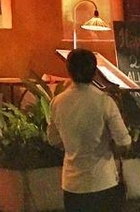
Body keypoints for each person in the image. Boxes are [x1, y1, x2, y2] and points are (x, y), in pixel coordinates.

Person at [47, 48, 132, 212]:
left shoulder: (58, 102)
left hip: (72, 185)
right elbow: (124, 143)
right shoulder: (104, 102)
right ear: (95, 72)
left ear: (69, 70)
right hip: (103, 181)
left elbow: (53, 140)